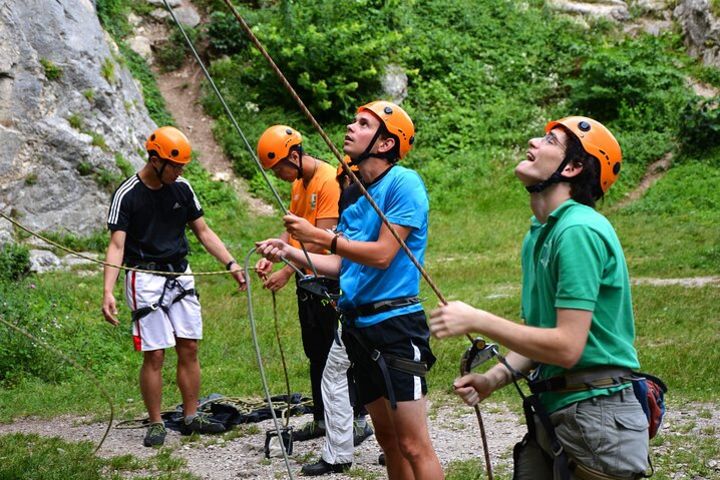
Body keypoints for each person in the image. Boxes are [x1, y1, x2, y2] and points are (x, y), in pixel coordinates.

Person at [429, 117, 649, 479]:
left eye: (549, 140)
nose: (533, 141)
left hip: (595, 414)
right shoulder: (542, 234)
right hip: (561, 410)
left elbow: (565, 347)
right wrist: (493, 379)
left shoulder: (578, 230)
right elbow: (541, 337)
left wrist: (478, 320)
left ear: (573, 167)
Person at [257, 101, 444, 480]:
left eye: (363, 124)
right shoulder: (358, 196)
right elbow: (344, 266)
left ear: (385, 144)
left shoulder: (404, 184)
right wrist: (291, 251)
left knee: (413, 444)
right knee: (388, 442)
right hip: (359, 327)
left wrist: (319, 236)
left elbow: (382, 255)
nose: (350, 126)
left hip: (395, 326)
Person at [102, 126, 246, 447]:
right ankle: (155, 423)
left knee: (190, 347)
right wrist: (108, 291)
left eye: (182, 167)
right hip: (145, 278)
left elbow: (204, 232)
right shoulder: (128, 195)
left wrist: (232, 264)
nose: (180, 172)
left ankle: (191, 415)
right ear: (155, 160)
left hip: (180, 274)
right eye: (175, 165)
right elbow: (116, 246)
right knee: (154, 355)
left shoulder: (181, 188)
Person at [253, 125, 343, 443]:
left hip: (329, 283)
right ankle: (321, 419)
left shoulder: (329, 181)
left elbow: (323, 242)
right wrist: (274, 254)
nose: (277, 174)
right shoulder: (298, 183)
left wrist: (287, 270)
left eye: (278, 167)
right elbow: (292, 229)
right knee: (315, 353)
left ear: (294, 155)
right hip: (308, 284)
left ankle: (357, 418)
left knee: (339, 352)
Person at [301, 163, 375, 476]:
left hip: (371, 306)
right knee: (363, 378)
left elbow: (348, 255)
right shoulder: (367, 193)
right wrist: (290, 253)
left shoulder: (358, 195)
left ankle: (340, 454)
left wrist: (318, 240)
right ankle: (345, 452)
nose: (340, 179)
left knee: (344, 376)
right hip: (362, 303)